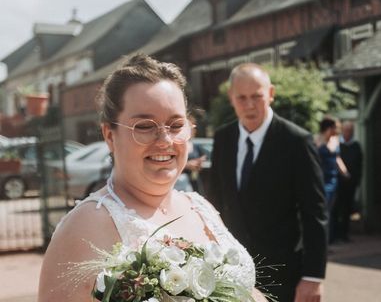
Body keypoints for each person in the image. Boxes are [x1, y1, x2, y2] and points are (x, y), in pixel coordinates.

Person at [38, 54, 265, 302]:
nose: (165, 140)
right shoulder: (86, 225)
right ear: (109, 135)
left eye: (176, 125)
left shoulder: (201, 208)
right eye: (144, 126)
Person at [209, 63, 328, 302]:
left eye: (257, 96)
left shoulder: (297, 141)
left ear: (271, 94)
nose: (249, 105)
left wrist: (313, 277)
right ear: (231, 98)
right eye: (241, 98)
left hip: (283, 274)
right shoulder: (223, 139)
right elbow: (215, 205)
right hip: (230, 272)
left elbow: (314, 213)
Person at [332, 120, 362, 243]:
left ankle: (344, 234)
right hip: (338, 183)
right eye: (346, 130)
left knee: (347, 208)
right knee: (336, 208)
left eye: (350, 130)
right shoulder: (336, 144)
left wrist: (357, 180)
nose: (348, 133)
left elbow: (360, 164)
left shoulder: (356, 146)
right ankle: (335, 234)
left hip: (351, 183)